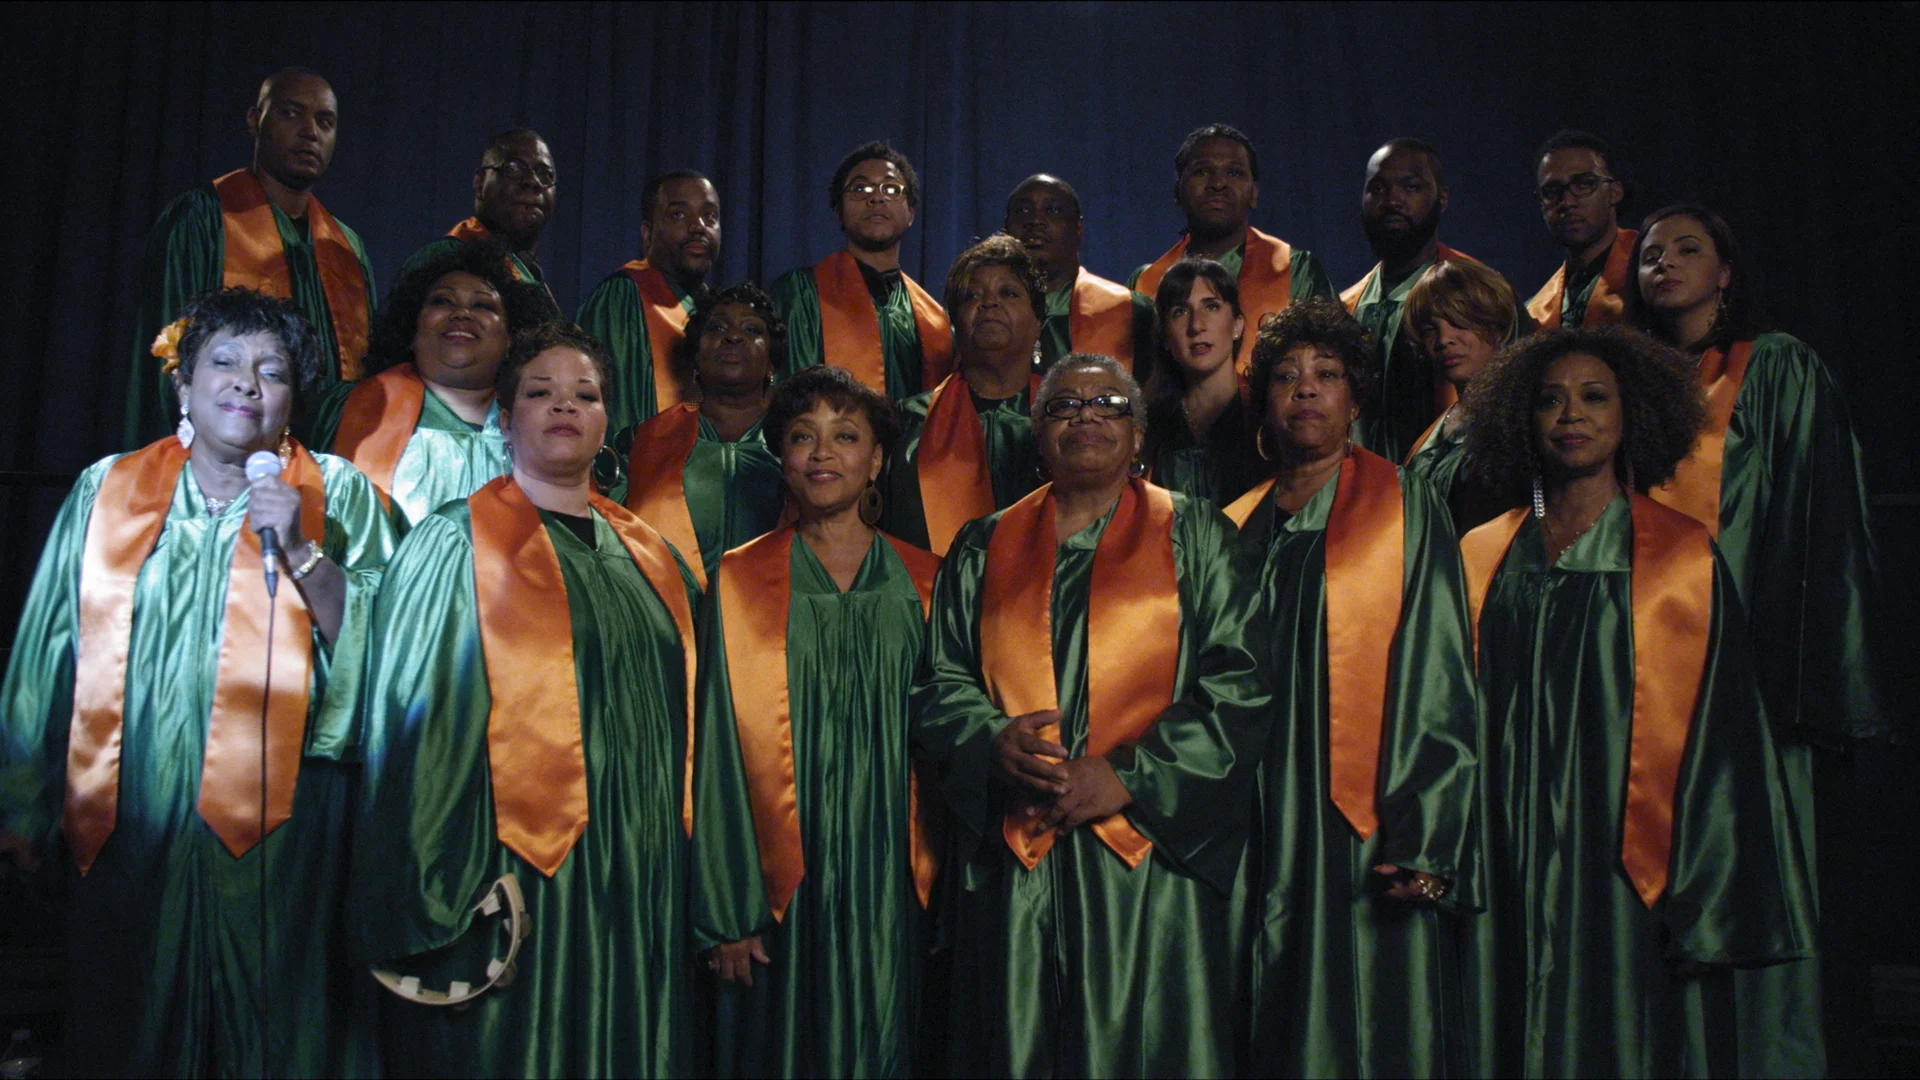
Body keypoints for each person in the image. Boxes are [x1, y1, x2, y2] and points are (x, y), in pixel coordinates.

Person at [1, 288, 394, 1077]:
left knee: (277, 1023)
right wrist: (20, 802)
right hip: (129, 808)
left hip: (289, 821)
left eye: (272, 370)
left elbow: (392, 648)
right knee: (129, 1016)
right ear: (183, 385)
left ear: (293, 398)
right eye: (224, 361)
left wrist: (302, 550)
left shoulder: (341, 492)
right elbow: (47, 648)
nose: (247, 382)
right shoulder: (107, 489)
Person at [1455, 326, 1817, 1076]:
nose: (1571, 415)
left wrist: (1708, 891)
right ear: (1521, 417)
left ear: (1632, 415)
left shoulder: (1680, 556)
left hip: (1629, 859)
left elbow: (1725, 740)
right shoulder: (1480, 556)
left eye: (1594, 398)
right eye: (1550, 400)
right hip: (1505, 846)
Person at [353, 321, 700, 1077]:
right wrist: (442, 888)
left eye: (586, 395)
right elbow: (415, 730)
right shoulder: (457, 542)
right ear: (506, 420)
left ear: (608, 422)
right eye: (541, 392)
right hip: (514, 865)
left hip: (640, 864)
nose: (565, 406)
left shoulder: (651, 555)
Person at [912, 354, 1269, 1077]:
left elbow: (1241, 683)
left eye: (1108, 402)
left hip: (1146, 856)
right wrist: (990, 742)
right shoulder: (983, 545)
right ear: (1038, 434)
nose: (1086, 415)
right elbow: (941, 680)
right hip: (1019, 853)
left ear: (1138, 435)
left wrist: (1130, 775)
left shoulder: (1197, 532)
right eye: (1064, 404)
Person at [1626, 203, 1886, 1076]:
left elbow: (1819, 525)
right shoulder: (1623, 384)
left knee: (1758, 864)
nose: (1664, 263)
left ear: (1726, 272)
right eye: (1651, 253)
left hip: (1750, 669)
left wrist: (1797, 667)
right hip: (1643, 668)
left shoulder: (1776, 367)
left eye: (1687, 249)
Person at [1223, 298, 1479, 1077]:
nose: (1306, 388)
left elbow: (1439, 666)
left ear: (1356, 399)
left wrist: (1428, 832)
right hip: (1252, 807)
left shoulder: (1403, 504)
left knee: (1363, 1005)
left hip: (1366, 807)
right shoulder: (1233, 525)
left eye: (1327, 374)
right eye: (1286, 376)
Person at [692, 365, 942, 1078]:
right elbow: (715, 751)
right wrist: (727, 910)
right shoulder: (740, 581)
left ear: (878, 460)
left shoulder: (930, 582)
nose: (823, 453)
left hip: (896, 880)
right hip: (780, 889)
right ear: (782, 458)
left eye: (846, 436)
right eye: (803, 437)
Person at [125, 68, 376, 447]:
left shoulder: (347, 247)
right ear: (255, 120)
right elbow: (168, 359)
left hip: (327, 461)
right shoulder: (202, 219)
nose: (310, 132)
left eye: (325, 121)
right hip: (218, 455)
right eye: (291, 113)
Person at [303, 239, 551, 527]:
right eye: (443, 301)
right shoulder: (339, 409)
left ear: (511, 338)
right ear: (412, 327)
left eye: (483, 305)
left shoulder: (536, 427)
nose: (462, 313)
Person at [613, 282, 788, 588]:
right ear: (695, 355)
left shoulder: (796, 444)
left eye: (752, 330)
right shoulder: (642, 441)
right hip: (664, 608)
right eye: (717, 327)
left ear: (771, 361)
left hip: (771, 610)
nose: (733, 336)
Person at [880, 234, 1046, 555]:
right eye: (973, 295)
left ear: (1039, 321)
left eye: (1009, 293)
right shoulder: (905, 424)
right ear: (955, 321)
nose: (989, 303)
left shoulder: (1066, 420)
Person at [1131, 124, 1335, 355]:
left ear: (1254, 193)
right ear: (1177, 190)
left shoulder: (1296, 270)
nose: (1218, 184)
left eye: (1235, 173)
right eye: (1201, 171)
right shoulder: (1146, 283)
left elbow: (1330, 362)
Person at [772, 141, 953, 400]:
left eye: (891, 189)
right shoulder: (801, 294)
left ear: (911, 214)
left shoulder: (937, 323)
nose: (876, 197)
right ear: (839, 213)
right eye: (860, 189)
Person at [1341, 138, 1481, 460]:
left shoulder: (1480, 294)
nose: (1392, 200)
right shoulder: (1346, 308)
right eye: (1378, 189)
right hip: (1360, 485)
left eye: (1410, 187)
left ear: (1442, 197)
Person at [577, 169, 724, 430]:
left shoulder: (715, 308)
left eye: (710, 216)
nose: (698, 226)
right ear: (647, 233)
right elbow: (616, 419)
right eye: (678, 214)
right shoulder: (623, 298)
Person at [1401, 258, 1525, 532]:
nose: (1444, 339)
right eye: (1430, 330)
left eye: (1458, 322)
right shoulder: (1439, 427)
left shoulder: (1522, 417)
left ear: (1496, 327)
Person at [1138, 258, 1263, 506]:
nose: (1196, 326)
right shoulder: (1145, 424)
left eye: (1212, 307)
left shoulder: (1265, 413)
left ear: (1237, 325)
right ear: (1165, 336)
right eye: (1180, 312)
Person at [395, 128, 561, 313]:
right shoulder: (444, 260)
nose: (533, 181)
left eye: (545, 174)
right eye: (514, 168)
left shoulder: (532, 277)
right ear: (479, 183)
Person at [1003, 173, 1154, 374]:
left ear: (1079, 229)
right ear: (1006, 229)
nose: (1035, 220)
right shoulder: (982, 315)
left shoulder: (1131, 311)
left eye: (1053, 210)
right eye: (1023, 210)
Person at [1526, 130, 1636, 331]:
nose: (1567, 202)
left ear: (1615, 192)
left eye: (1584, 184)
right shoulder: (1535, 313)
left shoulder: (1649, 278)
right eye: (1551, 192)